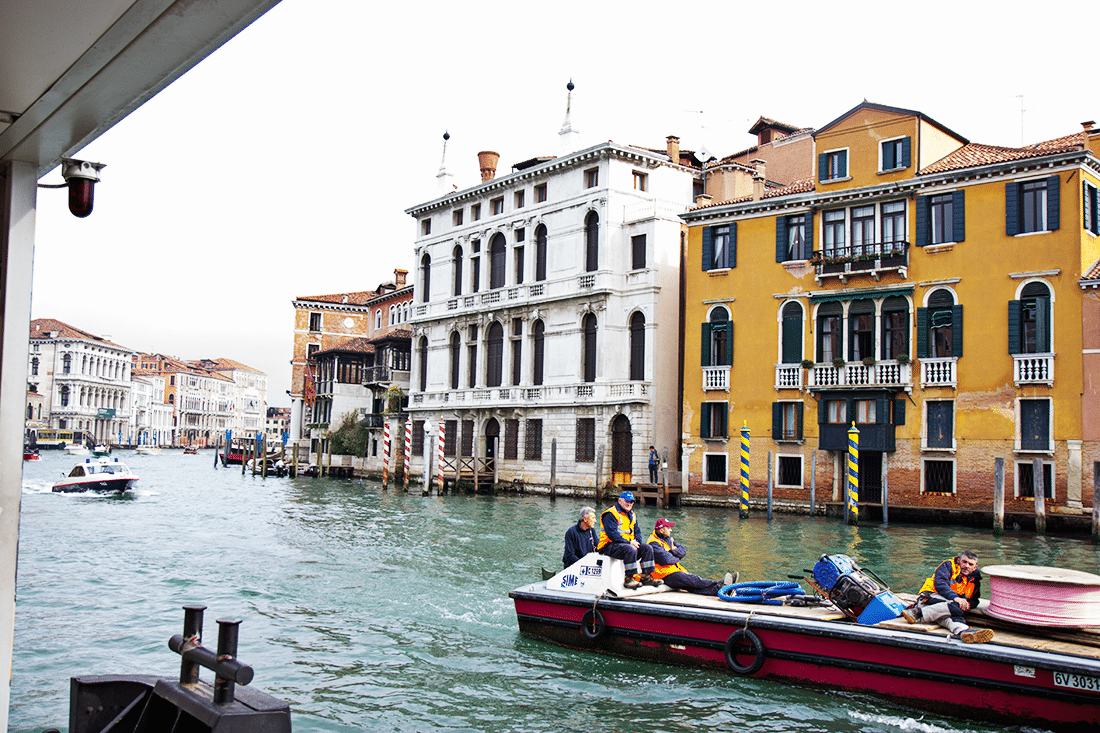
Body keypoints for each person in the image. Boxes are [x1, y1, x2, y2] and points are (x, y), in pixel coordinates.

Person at [902, 550, 994, 643]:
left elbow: (975, 600)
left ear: (975, 567)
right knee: (956, 607)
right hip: (928, 597)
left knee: (951, 614)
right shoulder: (948, 565)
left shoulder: (975, 579)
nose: (967, 566)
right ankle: (916, 613)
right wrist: (956, 598)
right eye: (964, 562)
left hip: (945, 607)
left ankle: (964, 632)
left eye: (970, 564)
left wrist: (968, 605)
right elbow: (940, 584)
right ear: (959, 561)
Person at [646, 518, 735, 595]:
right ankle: (721, 586)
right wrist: (676, 557)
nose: (671, 530)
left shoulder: (669, 539)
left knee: (691, 585)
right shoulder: (653, 543)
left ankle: (718, 590)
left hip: (673, 571)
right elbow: (666, 559)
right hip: (663, 575)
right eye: (668, 528)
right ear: (661, 530)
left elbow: (683, 550)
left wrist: (671, 552)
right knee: (693, 579)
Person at [598, 491, 657, 589]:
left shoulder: (632, 515)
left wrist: (637, 542)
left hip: (625, 545)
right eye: (627, 501)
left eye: (631, 502)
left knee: (647, 548)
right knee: (630, 549)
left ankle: (646, 576)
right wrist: (629, 543)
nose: (629, 504)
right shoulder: (610, 514)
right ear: (620, 501)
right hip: (608, 545)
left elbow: (637, 531)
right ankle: (629, 579)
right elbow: (612, 534)